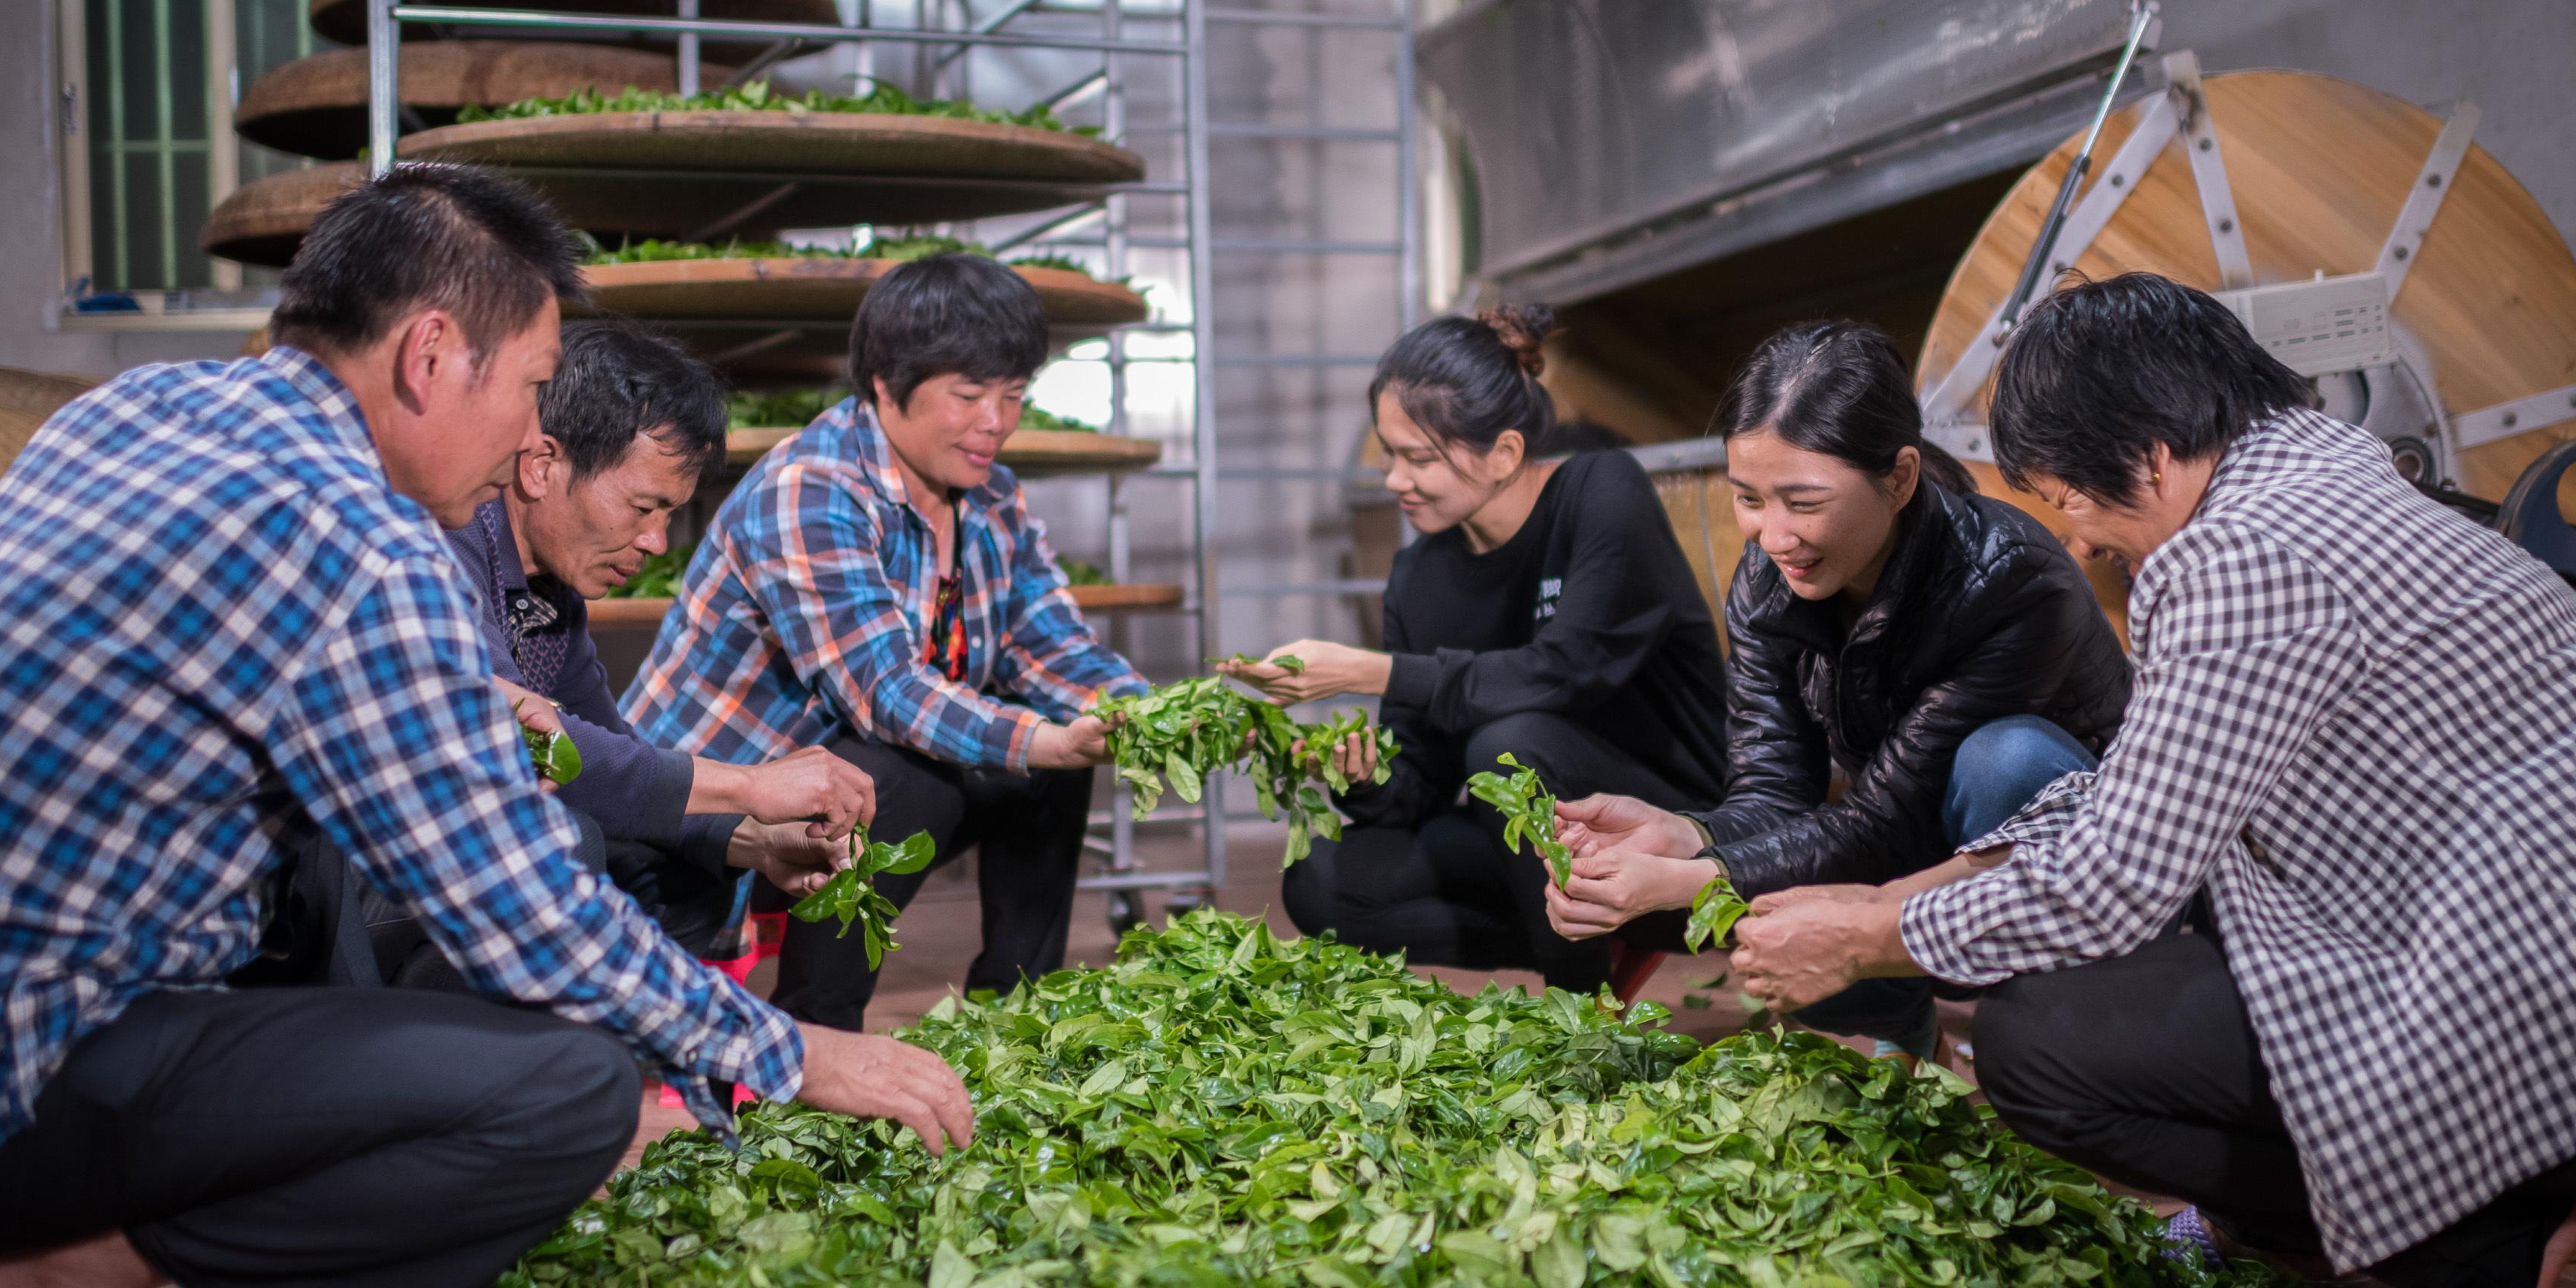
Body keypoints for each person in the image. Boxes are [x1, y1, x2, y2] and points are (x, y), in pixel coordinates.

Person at [0, 164, 973, 1288]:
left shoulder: (142, 409)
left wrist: (722, 828)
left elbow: (474, 756)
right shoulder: (359, 540)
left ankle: (99, 1240)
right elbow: (523, 909)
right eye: (534, 382)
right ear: (431, 354)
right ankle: (63, 1282)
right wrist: (792, 1055)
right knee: (560, 1087)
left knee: (415, 915)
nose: (536, 424)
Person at [1724, 273, 2576, 1288]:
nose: (2080, 543)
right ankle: (2351, 1210)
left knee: (2041, 1048)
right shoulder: (2323, 483)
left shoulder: (2239, 559)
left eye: (2072, 499)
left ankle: (2493, 1248)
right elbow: (2132, 793)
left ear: (2146, 454)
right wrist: (1898, 898)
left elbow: (2113, 885)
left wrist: (1866, 941)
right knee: (2185, 945)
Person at [1540, 320, 2130, 1057]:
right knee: (1764, 912)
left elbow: (1888, 825)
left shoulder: (2006, 579)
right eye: (1748, 498)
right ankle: (1902, 1021)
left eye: (1804, 501)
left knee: (1999, 759)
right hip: (1905, 832)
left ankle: (2058, 1029)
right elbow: (1773, 794)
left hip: (2065, 841)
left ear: (1900, 478)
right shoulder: (1765, 579)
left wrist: (1679, 881)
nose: (1771, 533)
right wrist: (1684, 833)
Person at [625, 253, 1144, 1029]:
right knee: (914, 774)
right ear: (885, 385)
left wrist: (1143, 712)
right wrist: (1046, 737)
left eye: (1013, 396)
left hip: (840, 803)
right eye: (968, 395)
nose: (995, 422)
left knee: (1047, 767)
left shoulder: (990, 496)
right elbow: (886, 692)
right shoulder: (813, 486)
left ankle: (1019, 1020)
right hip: (709, 828)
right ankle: (815, 1036)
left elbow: (1052, 646)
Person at [1232, 306, 1729, 994]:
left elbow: (1566, 670)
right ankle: (1584, 938)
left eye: (1419, 458)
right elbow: (1421, 784)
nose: (1395, 481)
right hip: (1542, 858)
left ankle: (1580, 1015)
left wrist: (1370, 670)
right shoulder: (1419, 577)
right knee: (1321, 882)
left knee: (1507, 747)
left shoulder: (1600, 493)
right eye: (1389, 454)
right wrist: (1363, 775)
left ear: (1505, 453)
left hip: (1685, 836)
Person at [427, 317, 875, 977]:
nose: (657, 543)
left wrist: (753, 841)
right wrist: (752, 785)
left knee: (691, 862)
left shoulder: (551, 595)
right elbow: (528, 745)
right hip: (373, 865)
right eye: (643, 507)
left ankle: (660, 1064)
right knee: (565, 838)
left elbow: (613, 757)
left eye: (670, 516)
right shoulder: (449, 543)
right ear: (543, 464)